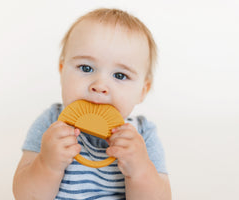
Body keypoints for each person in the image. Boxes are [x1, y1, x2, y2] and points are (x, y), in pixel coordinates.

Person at [13, 8, 171, 200]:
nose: (99, 86)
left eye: (120, 75)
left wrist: (140, 170)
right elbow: (25, 195)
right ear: (62, 71)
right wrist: (47, 164)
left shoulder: (143, 135)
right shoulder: (51, 124)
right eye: (86, 68)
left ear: (142, 91)